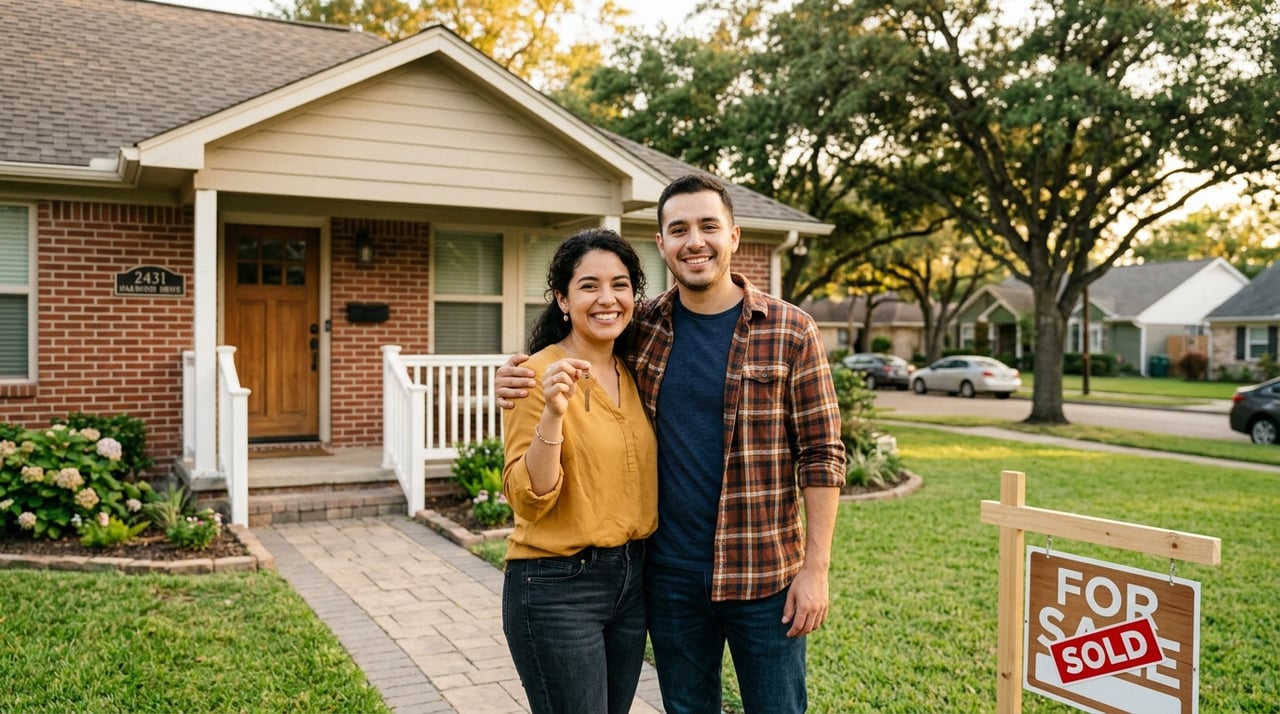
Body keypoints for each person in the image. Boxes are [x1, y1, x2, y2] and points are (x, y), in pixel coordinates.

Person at [497, 174, 846, 713]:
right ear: (661, 244)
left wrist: (815, 570)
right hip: (669, 580)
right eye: (678, 229)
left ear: (734, 235)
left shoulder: (791, 331)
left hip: (765, 575)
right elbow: (578, 339)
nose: (694, 241)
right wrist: (514, 374)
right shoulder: (644, 328)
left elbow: (823, 456)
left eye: (709, 225)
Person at [499, 228, 658, 714]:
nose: (606, 298)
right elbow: (528, 499)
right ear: (562, 300)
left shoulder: (633, 370)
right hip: (557, 586)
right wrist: (552, 412)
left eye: (620, 284)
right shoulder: (534, 375)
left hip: (632, 582)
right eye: (589, 285)